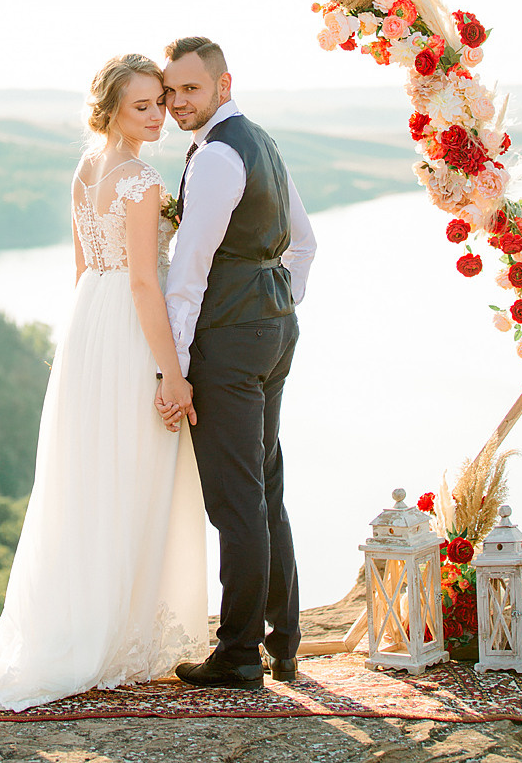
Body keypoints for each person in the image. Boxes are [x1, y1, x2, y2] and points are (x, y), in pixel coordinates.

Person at [0, 53, 207, 712]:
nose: (158, 114)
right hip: (130, 329)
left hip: (89, 326)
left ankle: (96, 629)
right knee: (133, 470)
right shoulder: (139, 178)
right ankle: (119, 637)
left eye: (161, 103)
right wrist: (170, 371)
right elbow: (143, 281)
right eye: (143, 106)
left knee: (89, 475)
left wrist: (89, 339)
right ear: (110, 109)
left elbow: (84, 265)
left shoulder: (86, 169)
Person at [157, 37, 316, 690]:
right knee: (265, 486)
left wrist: (176, 365)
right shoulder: (262, 143)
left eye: (190, 89)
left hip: (231, 337)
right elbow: (303, 244)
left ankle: (239, 653)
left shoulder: (218, 156)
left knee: (236, 499)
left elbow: (188, 269)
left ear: (224, 85)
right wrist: (275, 298)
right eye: (169, 93)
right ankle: (282, 641)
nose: (177, 104)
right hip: (274, 329)